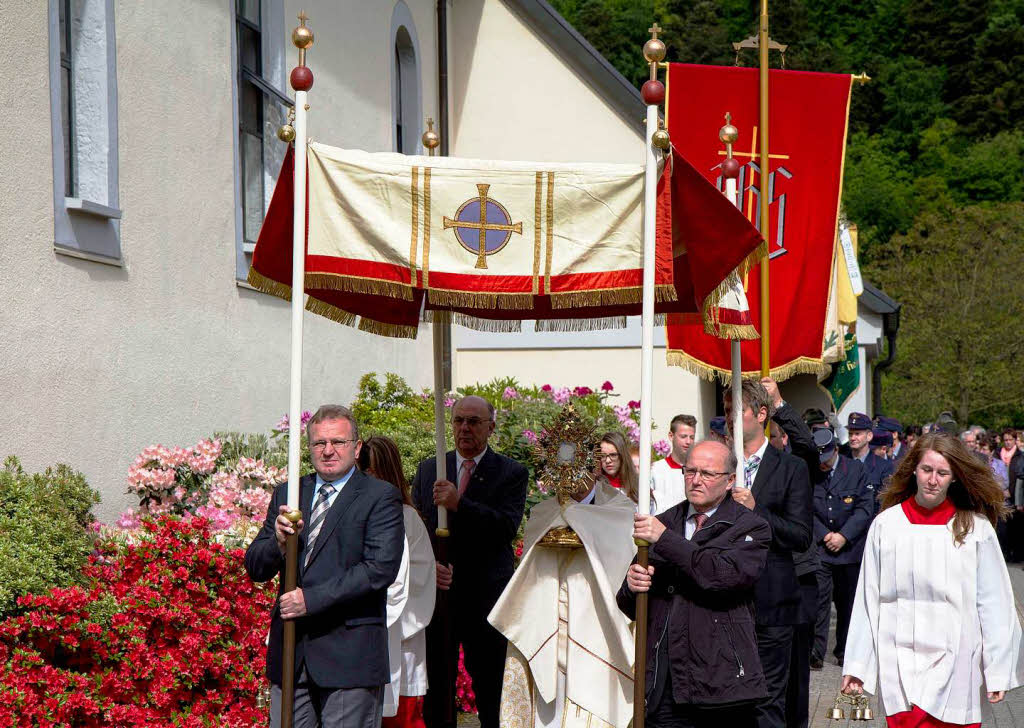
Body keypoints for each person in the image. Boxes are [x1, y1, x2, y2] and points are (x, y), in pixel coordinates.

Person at [841, 432, 1024, 726]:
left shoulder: (974, 530)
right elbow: (867, 598)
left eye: (942, 473)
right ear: (914, 469)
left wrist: (998, 668)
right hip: (899, 665)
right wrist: (858, 665)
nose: (933, 480)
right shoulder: (886, 526)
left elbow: (995, 603)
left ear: (954, 477)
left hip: (958, 664)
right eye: (927, 470)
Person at [245, 405, 406, 728]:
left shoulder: (379, 497)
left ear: (357, 448)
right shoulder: (290, 493)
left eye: (338, 442)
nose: (328, 451)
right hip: (292, 653)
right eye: (319, 443)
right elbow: (255, 567)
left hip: (349, 657)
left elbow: (379, 569)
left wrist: (311, 599)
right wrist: (277, 543)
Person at [618, 440, 772, 728]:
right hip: (667, 682)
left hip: (722, 681)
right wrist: (631, 585)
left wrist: (665, 540)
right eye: (690, 472)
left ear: (729, 481)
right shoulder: (665, 522)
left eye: (707, 474)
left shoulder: (750, 527)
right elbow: (630, 605)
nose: (696, 480)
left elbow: (722, 577)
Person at [411, 396, 528, 728]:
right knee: (438, 688)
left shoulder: (511, 472)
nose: (465, 428)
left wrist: (460, 503)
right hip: (441, 595)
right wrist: (427, 565)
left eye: (474, 422)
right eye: (459, 420)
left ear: (490, 427)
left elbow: (505, 526)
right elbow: (419, 530)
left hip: (485, 597)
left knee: (491, 687)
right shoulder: (431, 468)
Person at [491, 465, 636, 728]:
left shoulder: (619, 510)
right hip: (548, 614)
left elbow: (622, 556)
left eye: (578, 469)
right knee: (550, 709)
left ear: (594, 468)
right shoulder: (545, 511)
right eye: (561, 470)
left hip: (596, 622)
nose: (569, 477)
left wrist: (579, 521)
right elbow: (530, 566)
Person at [724, 380, 813, 728]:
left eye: (738, 411)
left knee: (767, 702)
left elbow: (801, 535)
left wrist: (756, 510)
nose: (731, 418)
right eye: (727, 411)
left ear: (761, 414)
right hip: (724, 601)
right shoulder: (720, 462)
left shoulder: (790, 468)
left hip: (772, 605)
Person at [358, 437, 436, 728]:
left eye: (375, 471)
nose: (369, 477)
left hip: (397, 634)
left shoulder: (406, 518)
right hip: (357, 633)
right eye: (364, 470)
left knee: (401, 717)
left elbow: (416, 576)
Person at [808, 428, 873, 669]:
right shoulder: (811, 472)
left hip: (850, 549)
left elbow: (865, 508)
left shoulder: (855, 470)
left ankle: (845, 650)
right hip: (823, 547)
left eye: (826, 459)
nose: (823, 465)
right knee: (819, 601)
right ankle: (816, 651)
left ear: (836, 449)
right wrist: (825, 534)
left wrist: (844, 536)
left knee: (848, 604)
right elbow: (806, 509)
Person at [651, 414, 696, 514]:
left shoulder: (699, 472)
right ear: (671, 436)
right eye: (683, 436)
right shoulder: (655, 470)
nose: (688, 441)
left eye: (692, 437)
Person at [846, 413, 894, 503]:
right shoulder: (841, 462)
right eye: (850, 434)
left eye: (857, 434)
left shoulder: (884, 466)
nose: (853, 438)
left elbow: (884, 500)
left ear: (869, 436)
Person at [596, 431, 640, 504]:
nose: (608, 460)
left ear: (623, 455)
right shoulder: (594, 488)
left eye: (613, 455)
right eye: (602, 456)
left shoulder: (640, 486)